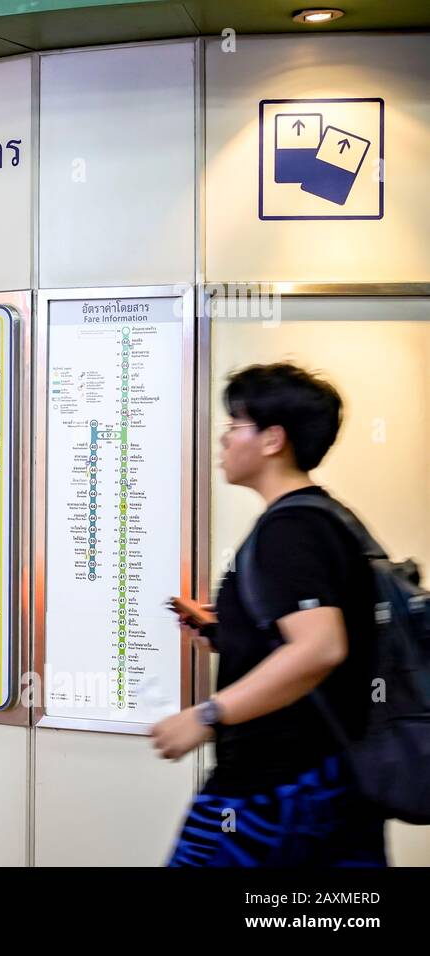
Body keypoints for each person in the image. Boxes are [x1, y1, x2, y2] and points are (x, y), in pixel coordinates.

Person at [156, 363, 384, 867]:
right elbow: (299, 641)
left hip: (272, 789)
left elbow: (322, 647)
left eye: (235, 426)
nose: (223, 441)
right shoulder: (324, 519)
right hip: (327, 779)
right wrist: (224, 633)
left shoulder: (293, 529)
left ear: (272, 440)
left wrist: (206, 714)